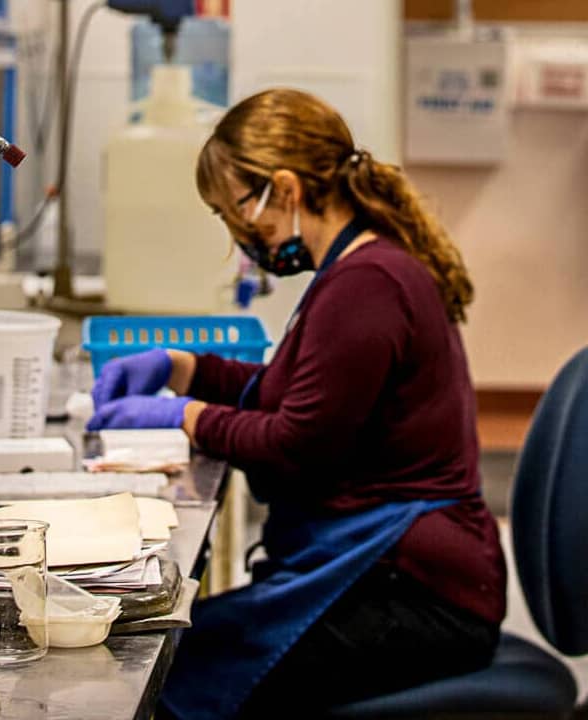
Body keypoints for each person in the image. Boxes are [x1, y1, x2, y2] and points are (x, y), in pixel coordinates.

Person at [88, 88, 507, 719]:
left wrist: (184, 417)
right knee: (177, 650)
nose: (238, 238)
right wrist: (184, 370)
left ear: (284, 190)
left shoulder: (366, 284)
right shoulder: (356, 268)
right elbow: (298, 390)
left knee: (169, 675)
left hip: (419, 592)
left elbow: (297, 442)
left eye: (237, 213)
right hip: (398, 571)